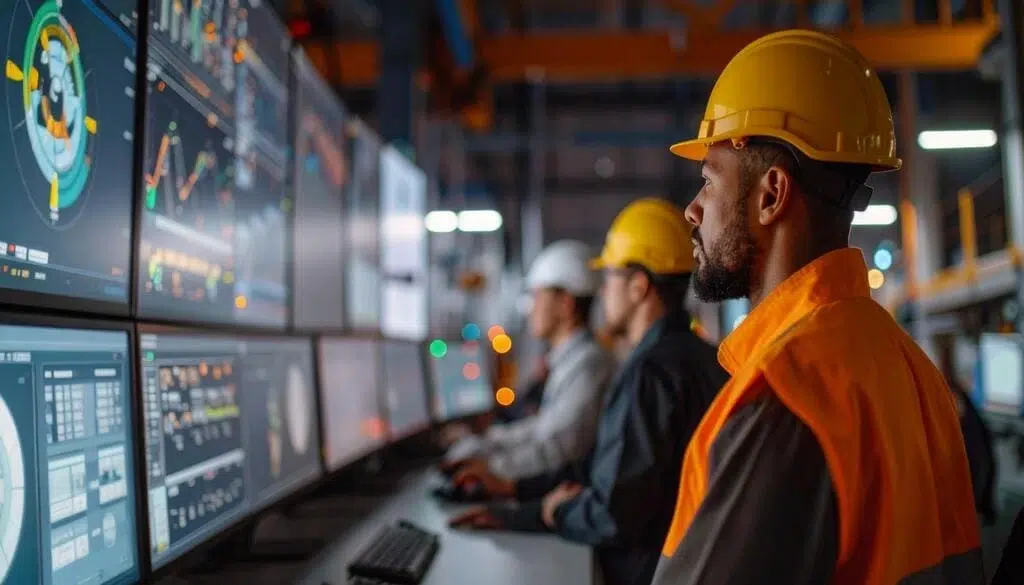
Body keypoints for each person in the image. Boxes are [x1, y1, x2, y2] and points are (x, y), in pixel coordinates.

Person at [651, 29, 983, 584]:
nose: (690, 210)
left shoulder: (788, 393)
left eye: (709, 181)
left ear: (772, 194)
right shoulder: (912, 370)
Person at [449, 199, 728, 585]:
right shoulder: (700, 357)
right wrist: (520, 492)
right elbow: (608, 469)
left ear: (638, 286)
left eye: (608, 278)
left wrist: (550, 513)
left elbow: (613, 515)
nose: (601, 293)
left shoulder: (651, 372)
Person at [444, 240, 615, 479]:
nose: (530, 308)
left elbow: (558, 446)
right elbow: (543, 429)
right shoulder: (573, 360)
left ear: (565, 304)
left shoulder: (589, 364)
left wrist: (492, 468)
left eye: (536, 296)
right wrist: (488, 443)